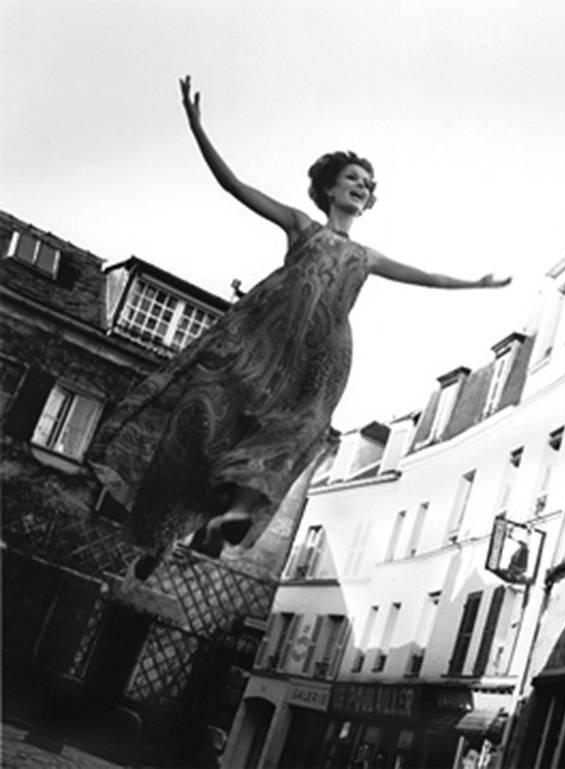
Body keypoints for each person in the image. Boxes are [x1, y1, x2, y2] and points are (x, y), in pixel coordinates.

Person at [87, 75, 511, 580]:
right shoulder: (301, 227)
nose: (362, 187)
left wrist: (476, 284)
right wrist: (198, 128)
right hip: (264, 342)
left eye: (368, 185)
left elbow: (430, 279)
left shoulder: (365, 256)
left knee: (299, 429)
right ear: (329, 188)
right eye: (354, 178)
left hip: (322, 354)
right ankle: (161, 535)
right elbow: (234, 186)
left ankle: (233, 517)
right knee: (204, 418)